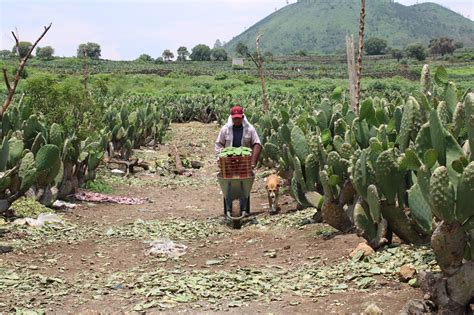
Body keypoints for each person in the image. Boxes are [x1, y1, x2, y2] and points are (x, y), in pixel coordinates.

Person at [215, 105, 262, 215]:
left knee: (244, 182)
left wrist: (253, 162)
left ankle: (244, 207)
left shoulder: (249, 129)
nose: (237, 120)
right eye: (234, 118)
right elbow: (219, 144)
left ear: (242, 117)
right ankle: (228, 207)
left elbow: (257, 144)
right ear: (231, 117)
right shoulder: (225, 129)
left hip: (244, 162)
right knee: (228, 183)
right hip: (228, 161)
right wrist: (220, 158)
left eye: (239, 118)